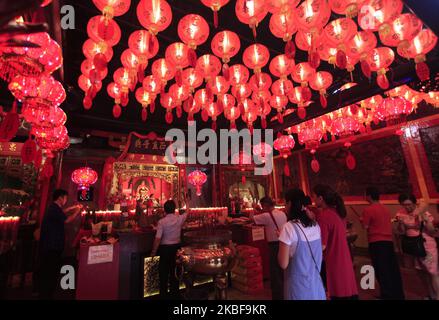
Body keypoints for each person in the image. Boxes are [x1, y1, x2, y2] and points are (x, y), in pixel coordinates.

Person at [278, 188, 326, 300]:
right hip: (316, 287)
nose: (285, 207)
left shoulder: (288, 228)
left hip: (298, 290)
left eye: (285, 203)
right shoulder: (315, 226)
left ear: (289, 204)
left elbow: (283, 263)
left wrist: (282, 241)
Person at [312, 184, 358, 300]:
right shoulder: (339, 213)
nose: (313, 200)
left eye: (314, 197)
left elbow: (322, 245)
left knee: (338, 292)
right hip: (344, 259)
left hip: (334, 260)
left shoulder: (324, 216)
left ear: (321, 198)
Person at [361, 187, 405, 300]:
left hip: (376, 242)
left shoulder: (368, 210)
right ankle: (397, 293)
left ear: (369, 196)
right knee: (392, 269)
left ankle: (387, 294)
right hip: (388, 242)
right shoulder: (385, 208)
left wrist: (362, 220)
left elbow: (365, 226)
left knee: (381, 269)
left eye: (366, 195)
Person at [37, 189, 82, 299]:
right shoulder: (54, 209)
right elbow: (67, 220)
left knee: (49, 270)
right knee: (50, 272)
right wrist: (77, 211)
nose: (66, 200)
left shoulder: (54, 208)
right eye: (65, 198)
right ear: (60, 198)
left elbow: (62, 212)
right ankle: (46, 294)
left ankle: (46, 292)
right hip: (51, 246)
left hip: (50, 245)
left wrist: (72, 208)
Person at [395, 194, 439, 300]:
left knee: (432, 272)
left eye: (409, 204)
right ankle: (431, 294)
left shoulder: (424, 213)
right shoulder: (401, 213)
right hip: (413, 247)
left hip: (427, 246)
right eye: (404, 205)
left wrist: (425, 219)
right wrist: (401, 224)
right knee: (420, 272)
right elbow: (401, 232)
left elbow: (432, 231)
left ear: (414, 203)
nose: (407, 207)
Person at [249, 196, 287, 300]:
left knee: (275, 273)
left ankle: (277, 296)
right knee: (282, 271)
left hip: (274, 246)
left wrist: (253, 208)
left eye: (262, 206)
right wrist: (259, 210)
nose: (262, 208)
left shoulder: (266, 216)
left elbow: (251, 219)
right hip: (284, 244)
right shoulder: (282, 213)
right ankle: (285, 293)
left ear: (265, 205)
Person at [151, 200, 187, 299]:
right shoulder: (179, 219)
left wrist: (153, 252)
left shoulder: (161, 222)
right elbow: (187, 212)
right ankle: (174, 295)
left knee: (163, 274)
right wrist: (187, 201)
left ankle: (163, 296)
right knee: (175, 273)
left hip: (165, 250)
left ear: (164, 210)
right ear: (174, 209)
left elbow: (158, 239)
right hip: (176, 250)